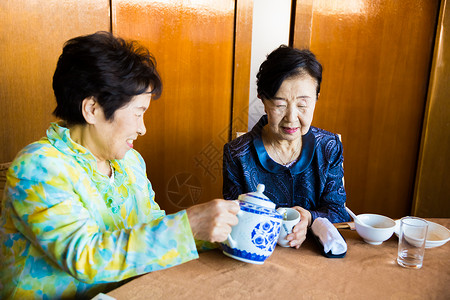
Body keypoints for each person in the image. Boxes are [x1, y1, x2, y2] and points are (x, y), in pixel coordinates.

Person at [0, 31, 239, 299]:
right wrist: (189, 225)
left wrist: (226, 226)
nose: (143, 128)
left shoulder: (129, 162)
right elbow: (86, 257)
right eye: (138, 113)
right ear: (92, 109)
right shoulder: (38, 167)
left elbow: (149, 227)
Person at [223, 45, 350, 249]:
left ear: (316, 98)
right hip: (258, 256)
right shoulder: (237, 154)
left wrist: (309, 217)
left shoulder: (328, 147)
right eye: (280, 105)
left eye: (302, 105)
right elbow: (233, 219)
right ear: (263, 100)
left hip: (315, 260)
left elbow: (339, 212)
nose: (292, 118)